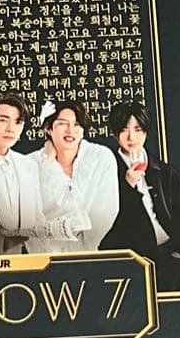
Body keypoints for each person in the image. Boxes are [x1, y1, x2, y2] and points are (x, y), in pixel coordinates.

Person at [100, 102, 180, 291]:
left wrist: (178, 251)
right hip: (134, 262)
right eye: (124, 129)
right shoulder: (106, 173)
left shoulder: (165, 172)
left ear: (146, 131)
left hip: (171, 258)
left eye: (137, 129)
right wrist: (128, 187)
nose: (131, 137)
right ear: (114, 133)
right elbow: (108, 223)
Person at [25, 100, 119, 254]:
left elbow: (105, 212)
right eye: (62, 124)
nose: (71, 130)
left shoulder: (101, 158)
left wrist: (83, 249)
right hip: (41, 255)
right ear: (48, 128)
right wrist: (47, 163)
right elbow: (27, 219)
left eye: (77, 124)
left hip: (87, 254)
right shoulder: (30, 164)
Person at [0, 92, 46, 253]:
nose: (10, 129)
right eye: (3, 120)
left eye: (18, 122)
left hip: (30, 257)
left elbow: (38, 218)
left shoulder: (29, 165)